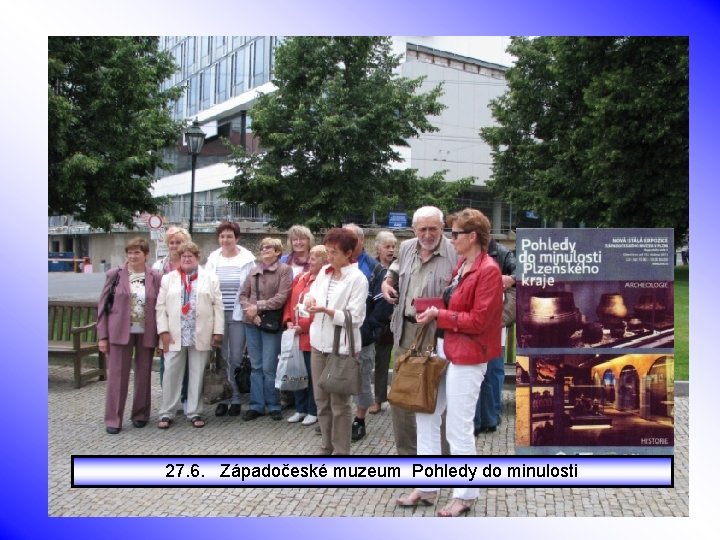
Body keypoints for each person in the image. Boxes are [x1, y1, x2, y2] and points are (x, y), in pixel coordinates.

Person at [396, 208, 503, 516]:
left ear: (473, 236)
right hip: (444, 347)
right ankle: (427, 485)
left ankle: (465, 494)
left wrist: (439, 315)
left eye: (455, 234)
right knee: (426, 415)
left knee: (458, 427)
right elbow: (454, 303)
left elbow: (479, 320)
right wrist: (431, 309)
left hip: (468, 355)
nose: (450, 238)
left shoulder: (488, 270)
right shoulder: (462, 264)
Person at [381, 206, 458, 455]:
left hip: (438, 335)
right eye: (422, 229)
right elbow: (395, 267)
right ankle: (407, 455)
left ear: (442, 227)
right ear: (414, 229)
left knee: (436, 398)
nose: (427, 234)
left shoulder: (455, 251)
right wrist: (387, 282)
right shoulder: (406, 247)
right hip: (406, 331)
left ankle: (442, 458)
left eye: (433, 228)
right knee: (401, 396)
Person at [305, 228, 368, 455]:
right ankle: (326, 446)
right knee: (321, 401)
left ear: (349, 253)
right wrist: (309, 301)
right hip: (318, 344)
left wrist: (327, 310)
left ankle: (342, 452)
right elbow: (310, 295)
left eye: (334, 252)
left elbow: (355, 317)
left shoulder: (358, 279)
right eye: (328, 251)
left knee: (339, 405)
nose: (329, 257)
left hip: (341, 347)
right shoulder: (324, 272)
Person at [97, 237, 162, 434]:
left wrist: (161, 335)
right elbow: (103, 307)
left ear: (146, 255)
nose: (133, 256)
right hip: (119, 331)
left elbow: (160, 307)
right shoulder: (115, 275)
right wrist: (102, 336)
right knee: (117, 376)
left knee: (144, 374)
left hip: (146, 331)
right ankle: (113, 418)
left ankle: (140, 414)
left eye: (137, 252)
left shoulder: (155, 277)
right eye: (130, 252)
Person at [156, 242, 224, 429]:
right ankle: (167, 412)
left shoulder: (210, 278)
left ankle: (194, 411)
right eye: (183, 256)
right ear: (179, 258)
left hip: (200, 333)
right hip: (174, 334)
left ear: (197, 258)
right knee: (170, 374)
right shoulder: (168, 279)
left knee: (197, 373)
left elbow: (218, 306)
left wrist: (218, 332)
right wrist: (163, 331)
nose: (186, 259)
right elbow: (160, 307)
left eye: (190, 256)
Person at [204, 221, 256, 418]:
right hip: (217, 314)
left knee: (235, 357)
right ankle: (224, 399)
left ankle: (235, 398)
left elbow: (252, 288)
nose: (225, 240)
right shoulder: (213, 259)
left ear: (237, 238)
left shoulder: (248, 260)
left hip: (237, 314)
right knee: (222, 357)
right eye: (222, 236)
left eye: (229, 236)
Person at [238, 237, 293, 421]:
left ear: (278, 251)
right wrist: (251, 313)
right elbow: (243, 295)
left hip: (270, 323)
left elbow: (282, 297)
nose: (264, 250)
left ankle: (273, 404)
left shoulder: (285, 270)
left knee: (269, 366)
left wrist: (258, 307)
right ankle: (256, 405)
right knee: (256, 366)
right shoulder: (253, 270)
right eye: (262, 247)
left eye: (269, 247)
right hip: (251, 322)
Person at [474, 235, 517, 435]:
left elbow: (521, 271)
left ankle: (491, 417)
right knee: (476, 372)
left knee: (492, 372)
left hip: (494, 326)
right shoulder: (464, 251)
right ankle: (479, 419)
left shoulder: (501, 252)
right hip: (473, 324)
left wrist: (512, 279)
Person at [343, 224, 382, 442]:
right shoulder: (338, 263)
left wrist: (368, 327)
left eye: (350, 238)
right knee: (337, 375)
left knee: (362, 377)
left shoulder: (373, 268)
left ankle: (359, 420)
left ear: (361, 240)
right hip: (339, 333)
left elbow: (382, 304)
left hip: (363, 334)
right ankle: (339, 417)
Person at [282, 245, 329, 426]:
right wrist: (288, 320)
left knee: (311, 375)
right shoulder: (301, 278)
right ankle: (300, 408)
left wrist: (302, 326)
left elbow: (319, 309)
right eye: (310, 257)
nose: (310, 261)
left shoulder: (323, 282)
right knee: (296, 372)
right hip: (294, 334)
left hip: (310, 336)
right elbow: (290, 301)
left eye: (314, 258)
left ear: (324, 261)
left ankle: (312, 410)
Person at [152, 226, 192, 407]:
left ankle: (185, 397)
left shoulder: (191, 264)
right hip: (166, 319)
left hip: (187, 319)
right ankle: (168, 398)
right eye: (172, 242)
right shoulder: (159, 266)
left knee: (187, 359)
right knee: (166, 358)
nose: (175, 246)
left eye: (179, 242)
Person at [369, 230, 397, 415]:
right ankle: (376, 399)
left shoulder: (399, 267)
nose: (391, 250)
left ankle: (397, 398)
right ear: (378, 248)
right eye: (387, 246)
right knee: (377, 361)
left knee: (397, 361)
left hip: (397, 321)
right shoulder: (374, 269)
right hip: (377, 322)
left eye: (393, 246)